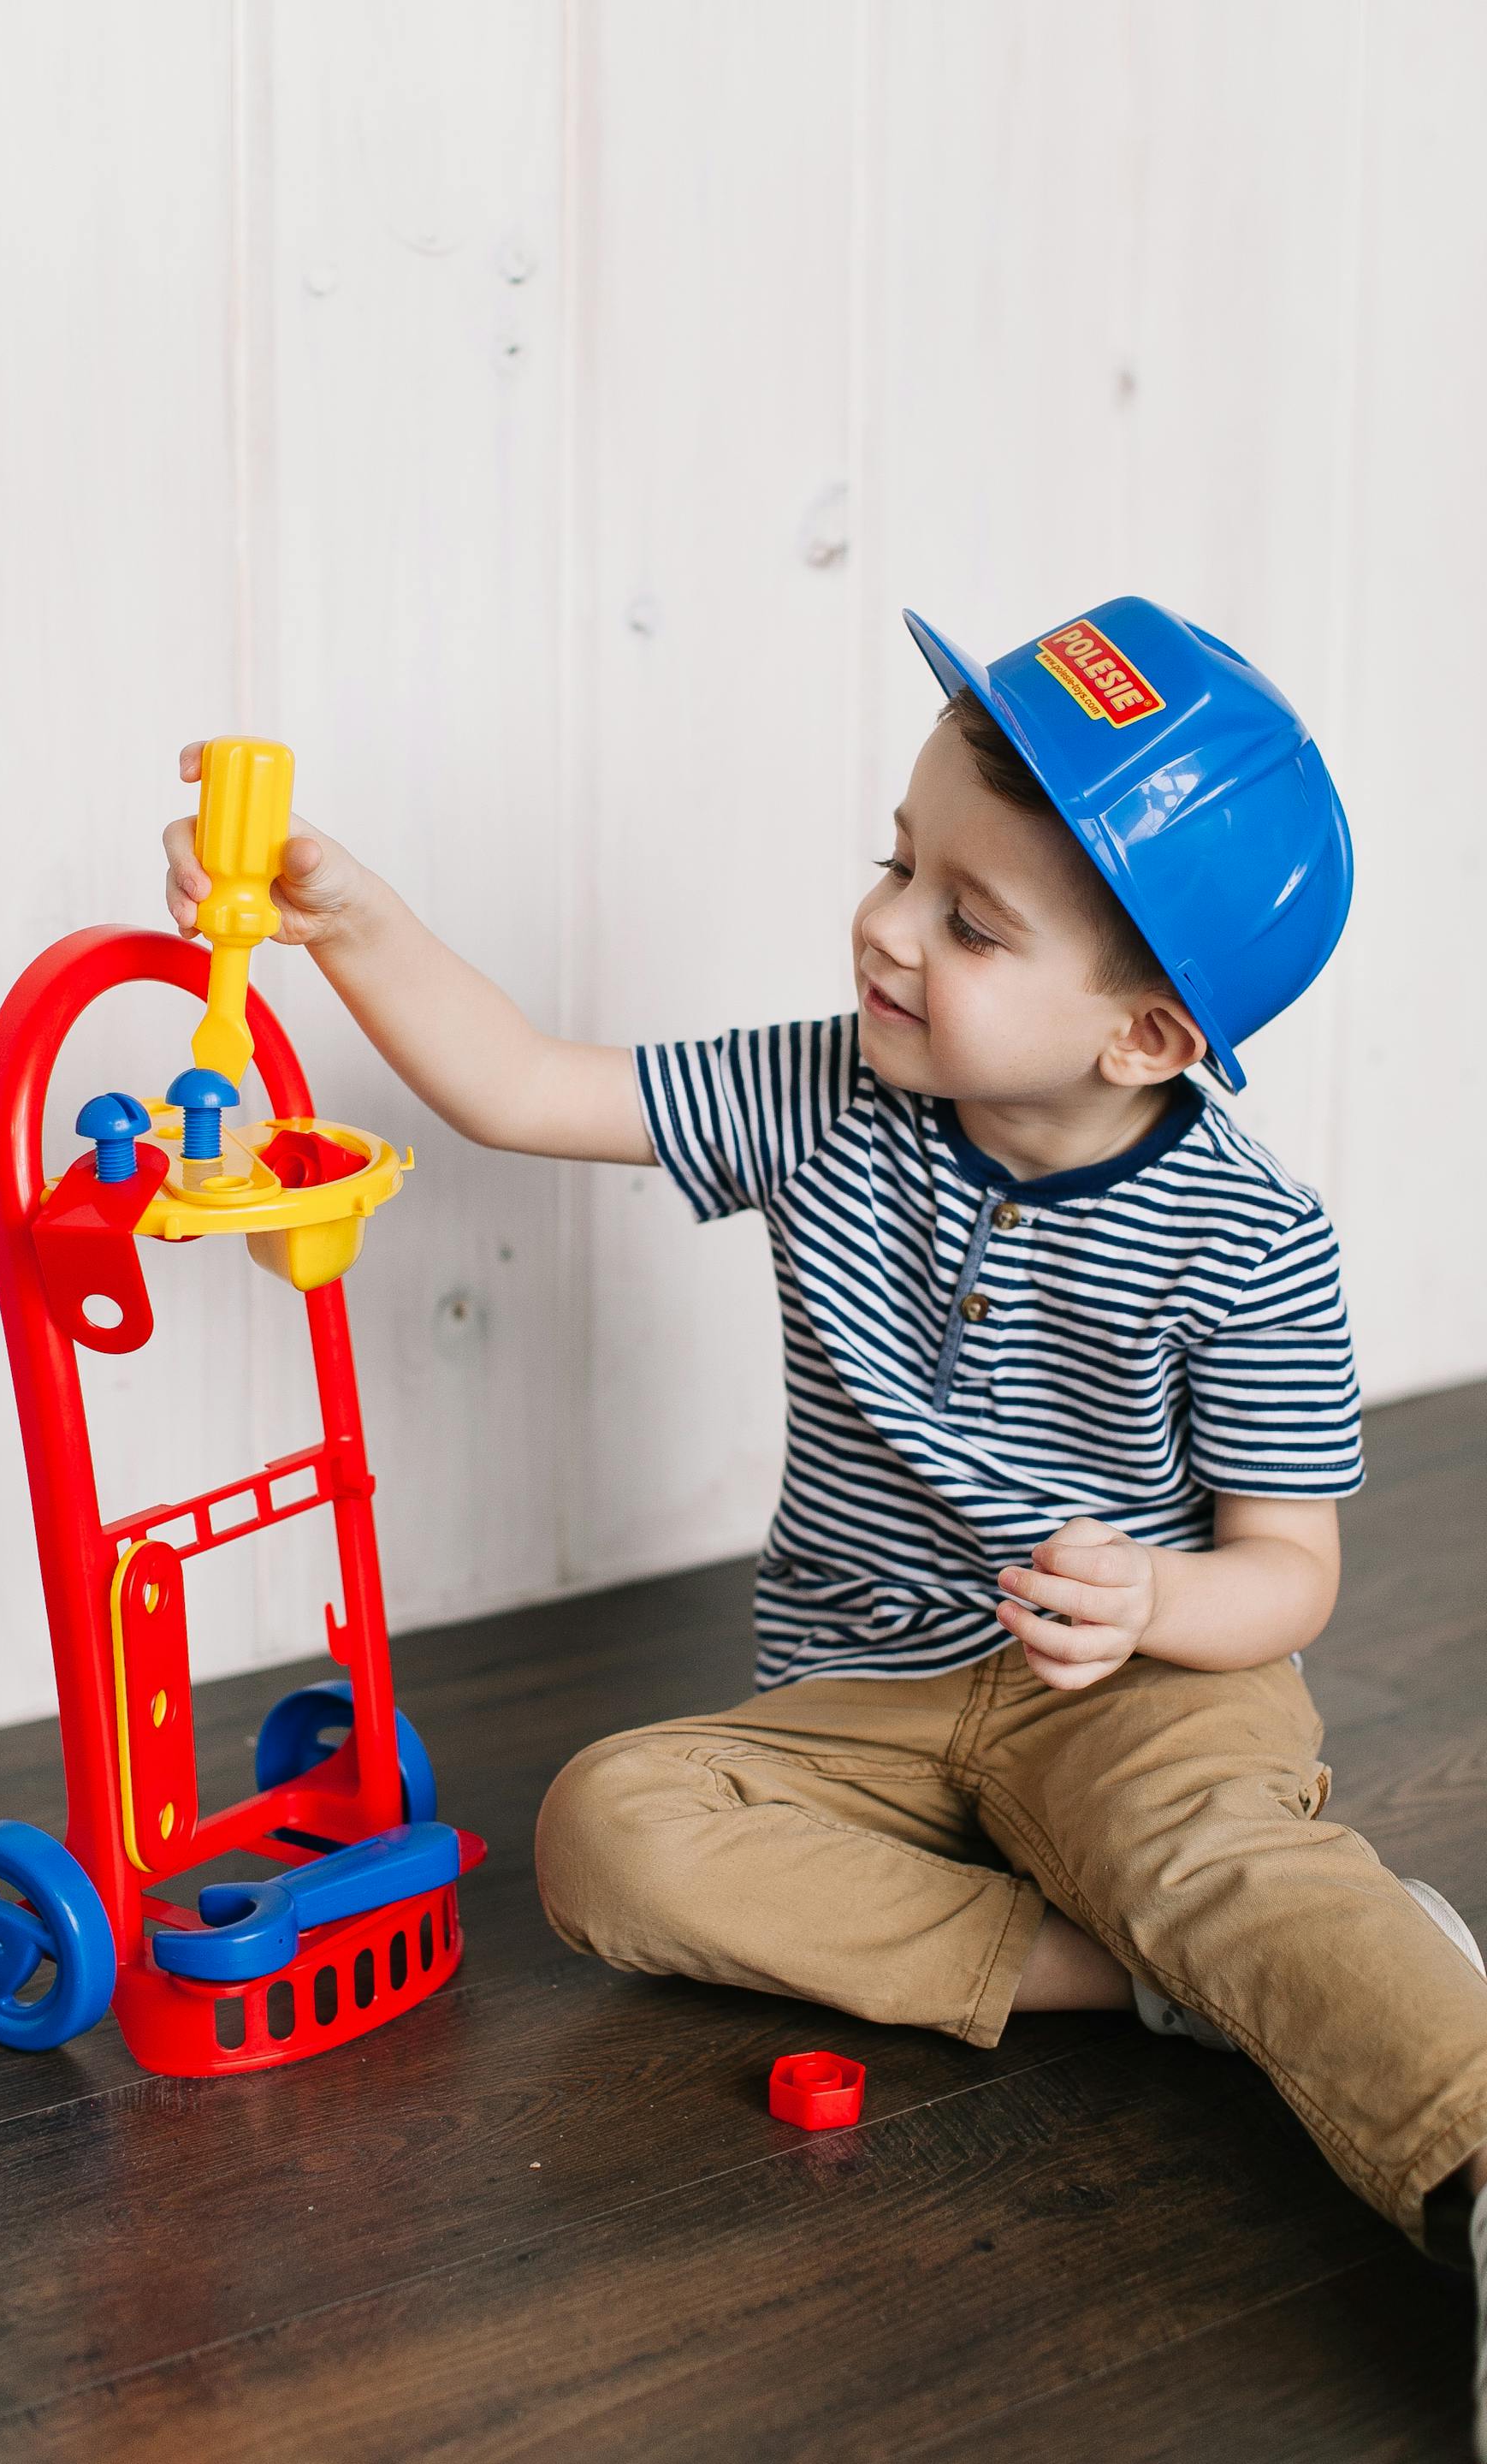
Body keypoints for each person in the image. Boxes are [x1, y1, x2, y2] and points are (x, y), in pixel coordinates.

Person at [164, 598, 1487, 2450]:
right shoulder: (823, 1094)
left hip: (1138, 1692)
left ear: (1145, 1034)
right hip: (862, 1700)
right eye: (896, 861)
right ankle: (1176, 1977)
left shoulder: (1252, 1239)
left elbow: (1292, 1578)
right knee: (608, 1833)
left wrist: (1151, 1601)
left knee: (1217, 1853)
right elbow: (527, 1088)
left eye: (969, 921)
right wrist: (355, 926)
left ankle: (1438, 2127)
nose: (886, 925)